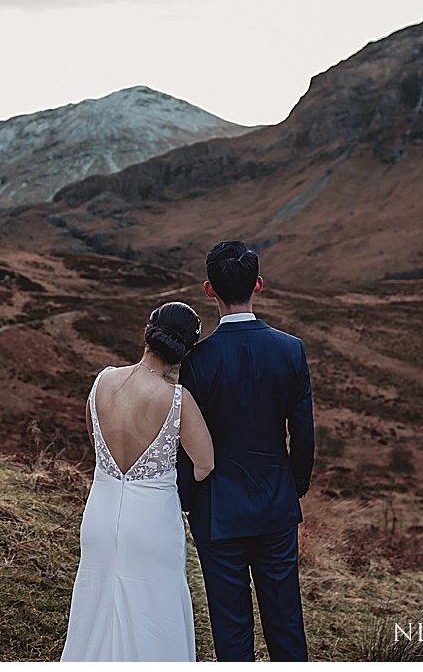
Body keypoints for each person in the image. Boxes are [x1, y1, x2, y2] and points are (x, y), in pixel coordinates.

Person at [177, 240, 315, 661]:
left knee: (230, 625)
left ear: (208, 289)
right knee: (286, 619)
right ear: (258, 285)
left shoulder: (197, 360)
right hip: (276, 501)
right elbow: (303, 432)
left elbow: (188, 443)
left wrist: (189, 498)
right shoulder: (291, 349)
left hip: (217, 508)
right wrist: (293, 487)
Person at [61, 301, 215, 661]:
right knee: (154, 609)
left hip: (100, 510)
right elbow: (205, 464)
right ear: (186, 351)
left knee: (96, 603)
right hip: (153, 519)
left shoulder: (103, 381)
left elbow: (96, 442)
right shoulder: (177, 400)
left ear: (147, 332)